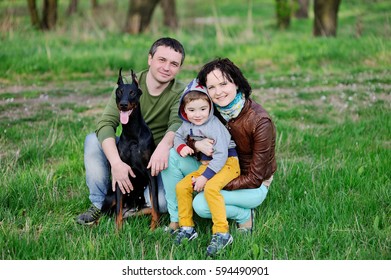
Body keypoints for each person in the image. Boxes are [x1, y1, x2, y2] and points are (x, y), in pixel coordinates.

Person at [161, 58, 277, 255]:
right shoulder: (212, 110)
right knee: (173, 156)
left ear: (237, 83)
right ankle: (178, 222)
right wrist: (195, 144)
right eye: (211, 86)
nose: (218, 92)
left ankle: (243, 215)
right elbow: (189, 132)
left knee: (201, 204)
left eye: (224, 84)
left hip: (251, 184)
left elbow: (255, 177)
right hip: (215, 167)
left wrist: (208, 182)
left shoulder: (260, 121)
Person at [76, 37, 186, 225]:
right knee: (92, 140)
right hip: (126, 146)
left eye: (174, 63)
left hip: (155, 158)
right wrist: (116, 164)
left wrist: (164, 147)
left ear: (179, 68)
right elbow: (106, 124)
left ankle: (139, 203)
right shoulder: (127, 84)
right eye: (162, 60)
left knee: (161, 202)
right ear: (150, 59)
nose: (167, 67)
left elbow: (177, 123)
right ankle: (97, 204)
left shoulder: (179, 91)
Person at [173, 79, 240, 256]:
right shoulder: (187, 124)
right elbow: (177, 137)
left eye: (203, 109)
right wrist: (183, 147)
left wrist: (205, 177)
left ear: (210, 107)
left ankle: (222, 233)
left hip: (228, 163)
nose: (198, 114)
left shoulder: (214, 125)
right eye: (191, 110)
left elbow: (221, 155)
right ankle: (187, 228)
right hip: (210, 164)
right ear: (184, 110)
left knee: (210, 188)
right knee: (182, 186)